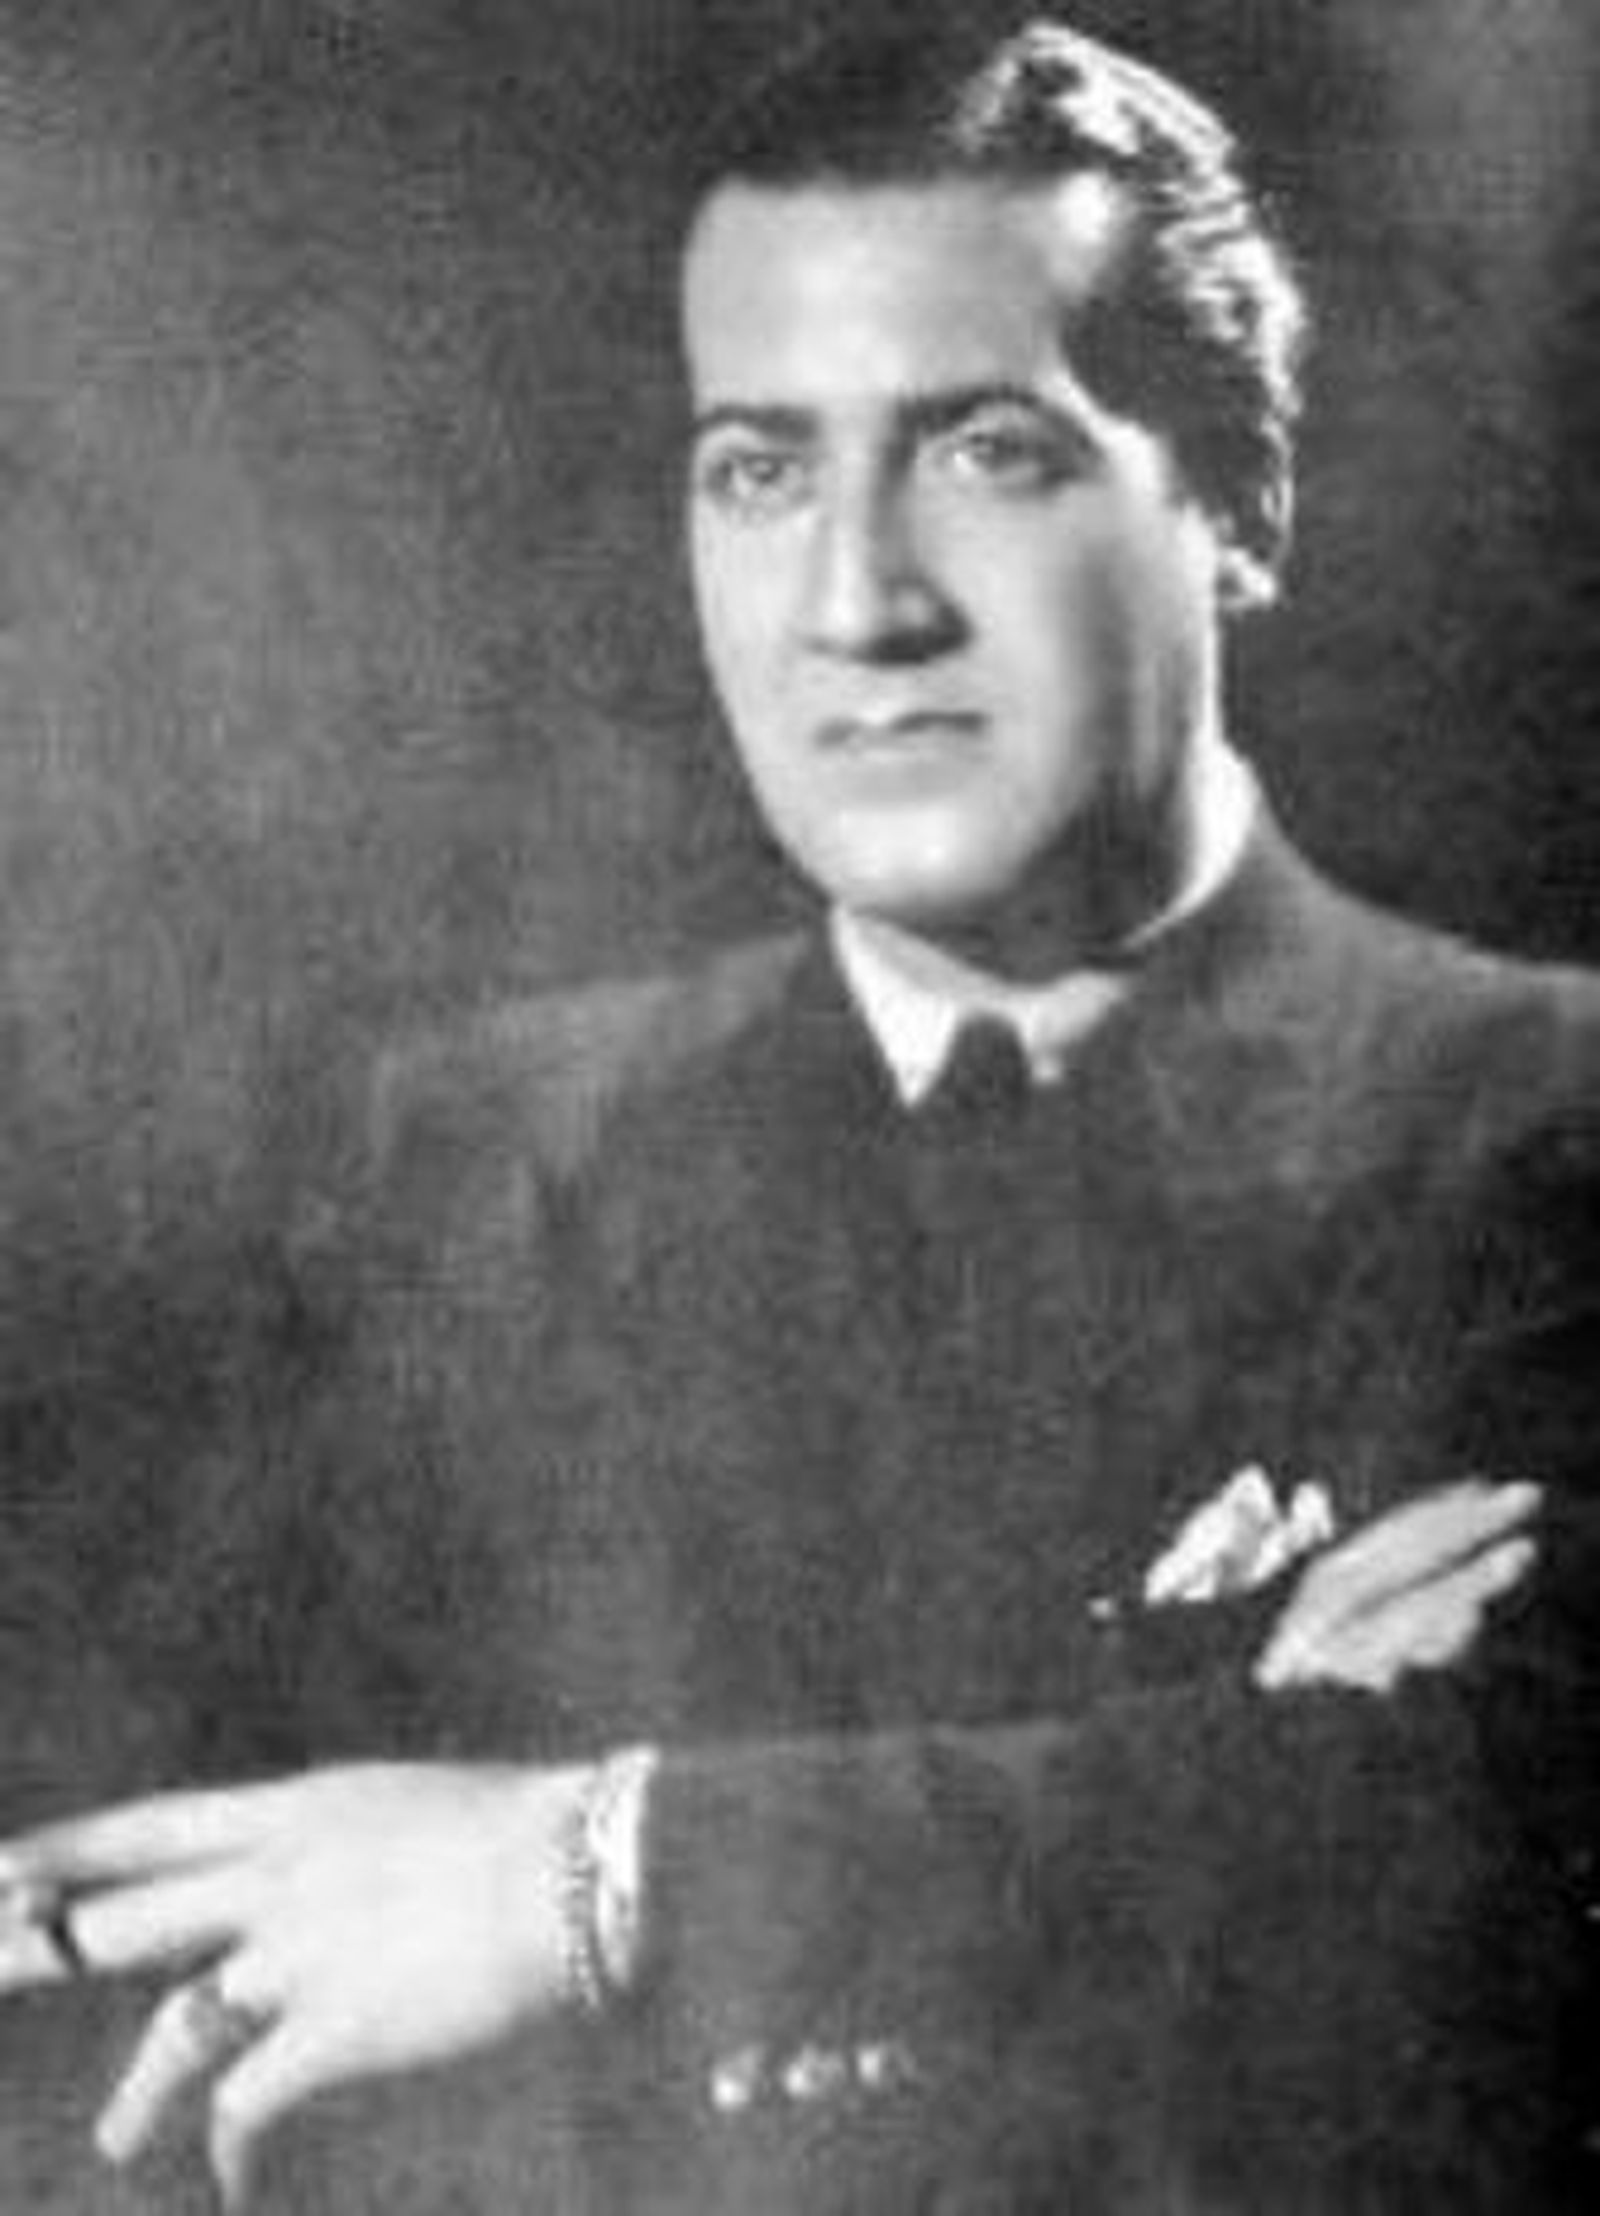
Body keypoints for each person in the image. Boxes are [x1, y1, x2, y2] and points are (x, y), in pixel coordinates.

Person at [0, 15, 1595, 2212]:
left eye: (987, 452)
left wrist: (602, 1877)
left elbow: (1496, 1862)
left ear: (1237, 506)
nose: (857, 603)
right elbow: (113, 1917)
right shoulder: (460, 1162)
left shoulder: (1542, 1120)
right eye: (760, 470)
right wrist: (1225, 1779)